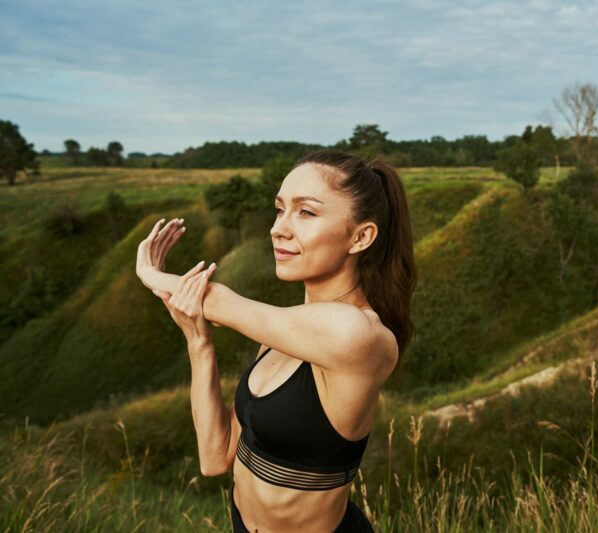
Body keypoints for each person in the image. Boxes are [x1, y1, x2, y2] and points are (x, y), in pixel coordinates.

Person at [135, 149, 417, 532]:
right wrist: (199, 346)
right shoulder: (282, 335)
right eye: (279, 209)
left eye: (306, 212)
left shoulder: (359, 335)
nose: (279, 227)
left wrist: (148, 273)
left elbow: (219, 301)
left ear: (360, 237)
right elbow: (215, 458)